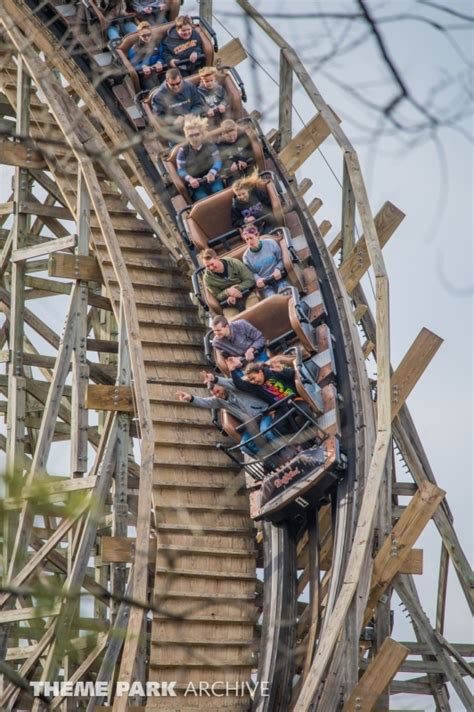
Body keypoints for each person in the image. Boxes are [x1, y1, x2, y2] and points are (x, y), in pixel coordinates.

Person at [176, 372, 274, 455]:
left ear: (223, 386)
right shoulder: (219, 400)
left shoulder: (234, 386)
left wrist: (214, 379)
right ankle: (271, 462)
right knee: (244, 446)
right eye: (215, 394)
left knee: (265, 431)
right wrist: (190, 398)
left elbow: (228, 382)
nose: (218, 395)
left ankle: (284, 454)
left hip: (264, 413)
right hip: (253, 424)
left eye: (218, 391)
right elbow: (205, 402)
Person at [176, 116, 224, 201]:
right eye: (191, 135)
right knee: (202, 199)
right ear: (187, 137)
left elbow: (218, 161)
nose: (194, 138)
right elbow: (181, 170)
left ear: (201, 134)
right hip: (196, 185)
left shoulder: (210, 145)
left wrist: (212, 173)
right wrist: (190, 179)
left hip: (213, 179)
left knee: (218, 191)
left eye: (197, 134)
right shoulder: (183, 150)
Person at [200, 248, 259, 318]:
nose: (211, 268)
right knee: (234, 323)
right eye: (207, 266)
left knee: (255, 314)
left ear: (217, 258)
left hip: (247, 294)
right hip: (229, 304)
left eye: (212, 264)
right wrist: (227, 292)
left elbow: (250, 280)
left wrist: (236, 290)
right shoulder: (207, 278)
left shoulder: (234, 263)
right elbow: (217, 296)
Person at [151, 68, 204, 137]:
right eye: (172, 84)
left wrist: (189, 115)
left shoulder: (189, 86)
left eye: (178, 83)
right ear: (167, 81)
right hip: (174, 129)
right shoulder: (159, 96)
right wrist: (173, 120)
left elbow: (199, 104)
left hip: (192, 123)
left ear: (181, 79)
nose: (176, 86)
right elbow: (158, 116)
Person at [241, 225, 291, 298]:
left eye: (251, 238)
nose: (249, 242)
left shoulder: (271, 243)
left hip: (279, 277)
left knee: (286, 294)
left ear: (257, 235)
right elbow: (252, 272)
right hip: (265, 284)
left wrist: (278, 269)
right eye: (247, 240)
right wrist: (258, 279)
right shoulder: (246, 257)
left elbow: (280, 259)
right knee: (273, 300)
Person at [127, 21, 163, 91]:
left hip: (160, 71)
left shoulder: (157, 43)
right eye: (143, 36)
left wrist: (160, 62)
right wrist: (142, 66)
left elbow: (162, 55)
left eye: (149, 35)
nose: (147, 37)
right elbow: (133, 64)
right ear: (139, 35)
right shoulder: (134, 48)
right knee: (154, 90)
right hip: (146, 76)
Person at [218, 120, 256, 184]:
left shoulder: (243, 135)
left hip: (248, 164)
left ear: (236, 130)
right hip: (232, 172)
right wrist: (230, 163)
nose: (232, 138)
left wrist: (243, 159)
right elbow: (222, 158)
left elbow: (249, 148)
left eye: (234, 135)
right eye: (229, 137)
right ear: (223, 134)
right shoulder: (220, 144)